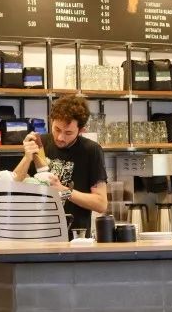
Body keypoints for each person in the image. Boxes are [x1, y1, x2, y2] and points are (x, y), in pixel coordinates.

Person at [12, 95, 108, 234]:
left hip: (75, 238)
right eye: (57, 129)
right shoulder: (40, 144)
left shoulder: (91, 150)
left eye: (68, 133)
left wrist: (63, 190)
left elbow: (101, 204)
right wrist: (27, 158)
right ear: (51, 121)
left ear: (81, 130)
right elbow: (12, 187)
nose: (60, 137)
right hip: (36, 234)